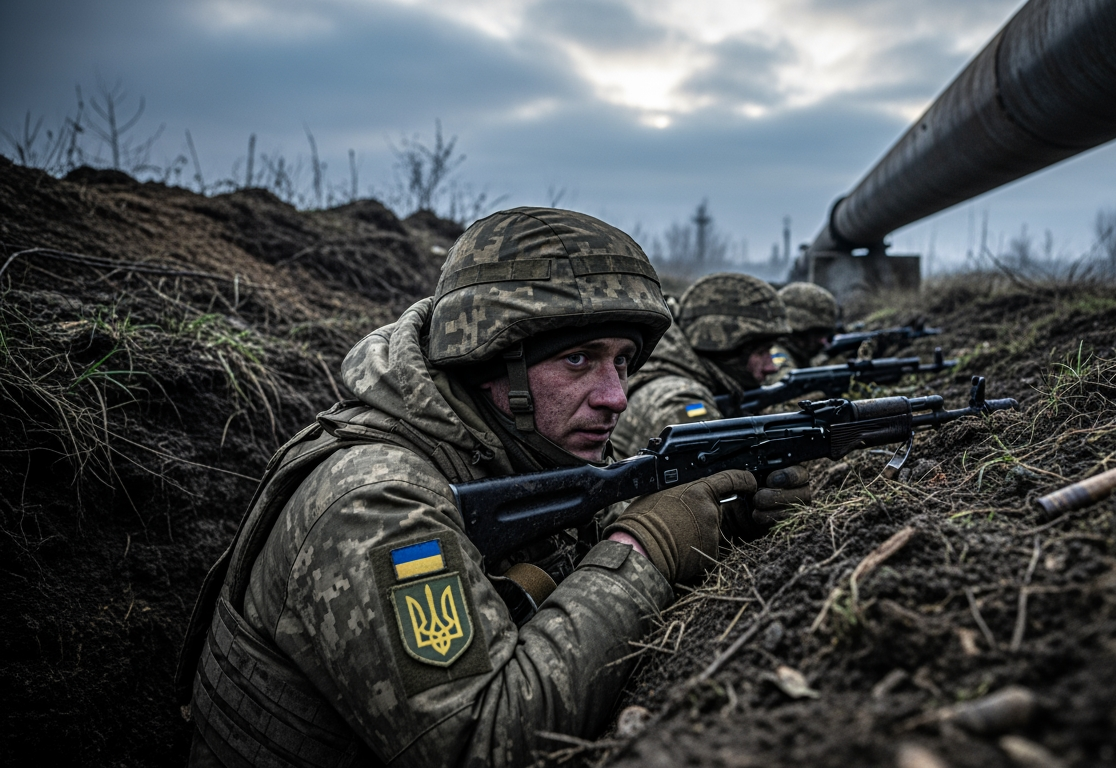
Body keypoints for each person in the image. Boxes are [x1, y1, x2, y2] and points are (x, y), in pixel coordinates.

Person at [177, 208, 764, 768]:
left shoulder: (522, 448)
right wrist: (647, 546)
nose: (615, 396)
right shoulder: (374, 503)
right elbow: (479, 743)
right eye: (579, 359)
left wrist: (719, 508)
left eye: (623, 362)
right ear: (490, 364)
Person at [610, 272, 811, 532]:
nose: (772, 366)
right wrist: (744, 512)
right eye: (761, 352)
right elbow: (700, 509)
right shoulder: (679, 400)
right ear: (727, 348)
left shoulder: (689, 378)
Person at [766, 282, 840, 381]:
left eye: (827, 333)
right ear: (797, 331)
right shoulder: (773, 353)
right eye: (818, 332)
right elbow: (784, 384)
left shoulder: (801, 356)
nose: (823, 341)